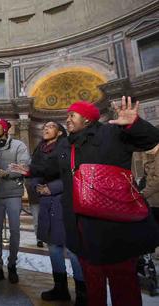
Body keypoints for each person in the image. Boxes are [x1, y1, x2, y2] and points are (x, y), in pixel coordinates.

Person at [10, 98, 159, 306]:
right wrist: (30, 170)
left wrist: (134, 124)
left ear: (87, 119)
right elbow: (52, 168)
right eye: (67, 115)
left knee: (123, 284)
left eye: (72, 115)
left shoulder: (111, 132)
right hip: (82, 226)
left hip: (117, 225)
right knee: (93, 286)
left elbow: (151, 139)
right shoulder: (66, 145)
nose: (67, 119)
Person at [28, 121, 86, 304]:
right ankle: (60, 288)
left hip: (64, 200)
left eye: (51, 126)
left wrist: (51, 188)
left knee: (72, 248)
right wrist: (37, 187)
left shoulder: (68, 147)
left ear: (60, 133)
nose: (45, 128)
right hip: (45, 201)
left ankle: (83, 292)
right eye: (44, 126)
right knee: (53, 247)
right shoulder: (39, 150)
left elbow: (73, 173)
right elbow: (33, 172)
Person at [0, 118, 30, 284]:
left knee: (15, 230)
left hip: (13, 194)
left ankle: (12, 265)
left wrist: (8, 173)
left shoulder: (19, 146)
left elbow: (25, 167)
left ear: (6, 129)